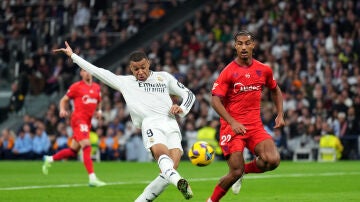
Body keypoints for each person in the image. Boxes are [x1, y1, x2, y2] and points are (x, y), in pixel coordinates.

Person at [53, 41, 196, 201]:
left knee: (171, 168)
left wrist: (182, 109)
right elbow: (97, 71)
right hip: (151, 124)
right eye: (136, 69)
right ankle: (179, 182)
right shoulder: (126, 83)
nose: (140, 71)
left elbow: (189, 94)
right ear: (131, 68)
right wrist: (73, 56)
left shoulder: (164, 77)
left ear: (148, 63)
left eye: (143, 67)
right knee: (163, 157)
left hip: (171, 123)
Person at [208, 30, 285, 202]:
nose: (243, 47)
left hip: (255, 126)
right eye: (240, 44)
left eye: (247, 43)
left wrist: (280, 114)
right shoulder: (228, 72)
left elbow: (275, 90)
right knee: (234, 172)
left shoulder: (264, 69)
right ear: (235, 46)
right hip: (232, 127)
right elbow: (215, 100)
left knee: (272, 160)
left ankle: (244, 171)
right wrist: (232, 122)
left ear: (253, 45)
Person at [42, 66, 106, 187]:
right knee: (87, 146)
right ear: (81, 73)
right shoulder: (76, 87)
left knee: (73, 151)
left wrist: (100, 111)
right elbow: (63, 100)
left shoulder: (97, 88)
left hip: (87, 122)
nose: (87, 72)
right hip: (78, 120)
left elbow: (99, 100)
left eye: (88, 70)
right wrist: (62, 109)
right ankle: (92, 178)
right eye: (84, 70)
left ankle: (49, 159)